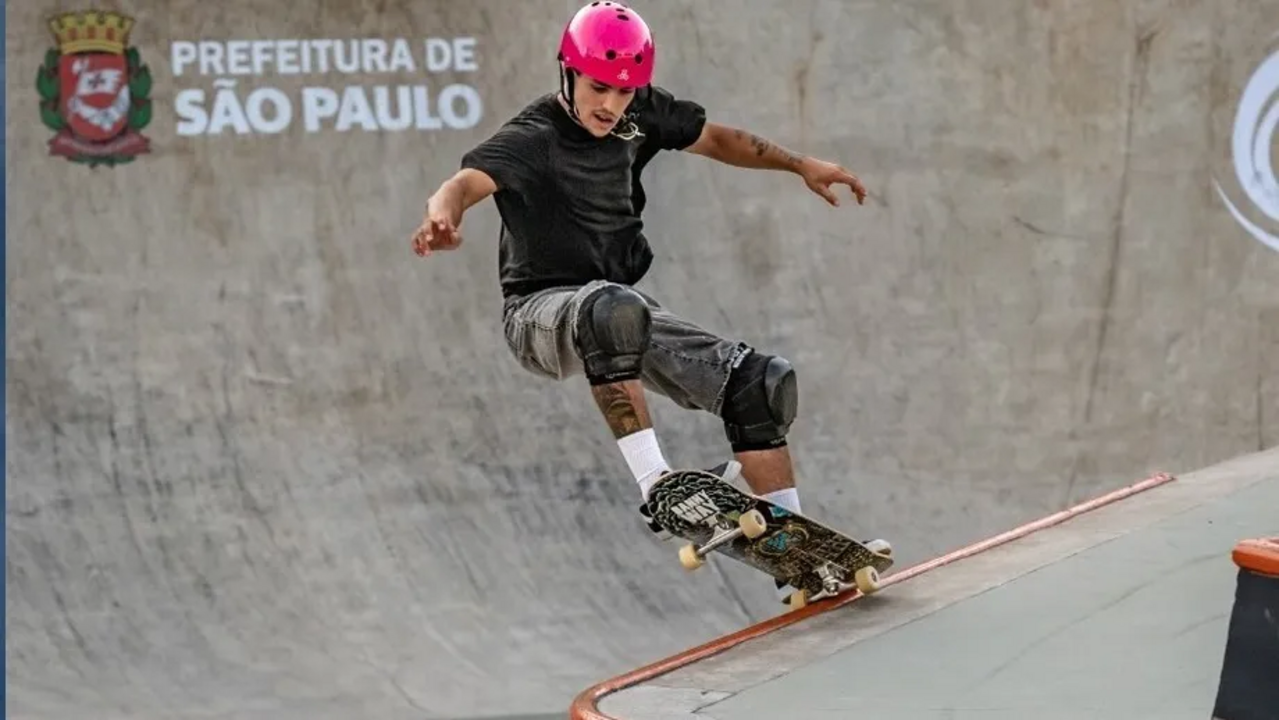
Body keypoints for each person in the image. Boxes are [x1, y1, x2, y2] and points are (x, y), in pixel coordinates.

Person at [411, 2, 886, 603]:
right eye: (598, 87)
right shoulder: (530, 139)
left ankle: (801, 558)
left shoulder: (639, 114)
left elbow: (717, 139)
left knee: (760, 383)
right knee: (611, 310)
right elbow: (464, 183)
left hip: (621, 311)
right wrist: (441, 217)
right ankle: (657, 485)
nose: (609, 105)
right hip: (539, 314)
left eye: (623, 91)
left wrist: (800, 165)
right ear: (568, 72)